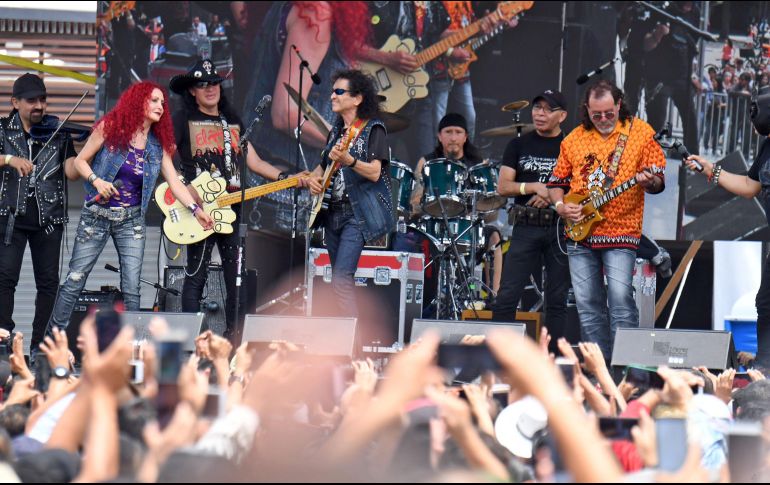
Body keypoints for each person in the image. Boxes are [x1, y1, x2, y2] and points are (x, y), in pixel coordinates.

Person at [45, 82, 213, 339]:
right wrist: (97, 181)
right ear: (138, 102)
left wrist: (195, 208)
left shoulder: (157, 146)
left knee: (132, 288)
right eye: (155, 101)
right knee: (74, 281)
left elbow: (174, 182)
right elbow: (80, 161)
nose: (161, 106)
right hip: (97, 216)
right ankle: (49, 346)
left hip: (131, 221)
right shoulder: (112, 128)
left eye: (163, 103)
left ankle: (132, 350)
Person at [170, 59, 307, 342]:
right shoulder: (183, 120)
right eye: (202, 85)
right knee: (196, 276)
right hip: (200, 211)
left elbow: (254, 161)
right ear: (192, 91)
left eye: (214, 83)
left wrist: (288, 176)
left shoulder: (231, 122)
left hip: (231, 210)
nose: (210, 89)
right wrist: (187, 193)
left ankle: (235, 343)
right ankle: (190, 343)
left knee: (237, 280)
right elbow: (165, 160)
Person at [547, 80, 666, 359]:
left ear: (619, 104)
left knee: (621, 302)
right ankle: (598, 371)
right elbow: (556, 183)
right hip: (580, 233)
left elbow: (659, 180)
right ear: (586, 109)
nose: (602, 120)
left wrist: (651, 182)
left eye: (609, 113)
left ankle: (626, 371)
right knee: (588, 305)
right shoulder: (573, 139)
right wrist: (561, 206)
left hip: (622, 231)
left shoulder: (639, 132)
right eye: (596, 114)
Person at [0, 74, 79, 353]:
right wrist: (9, 159)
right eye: (32, 100)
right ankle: (4, 341)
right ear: (15, 102)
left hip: (49, 218)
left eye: (42, 100)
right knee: (5, 279)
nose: (39, 106)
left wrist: (88, 152)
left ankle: (39, 346)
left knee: (48, 284)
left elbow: (70, 172)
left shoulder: (57, 131)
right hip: (11, 216)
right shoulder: (3, 129)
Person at [306, 69, 394, 318]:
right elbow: (321, 170)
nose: (332, 96)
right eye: (333, 91)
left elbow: (376, 173)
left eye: (339, 91)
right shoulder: (335, 132)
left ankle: (352, 347)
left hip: (356, 215)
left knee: (342, 280)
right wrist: (313, 182)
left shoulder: (373, 129)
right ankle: (343, 340)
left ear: (357, 99)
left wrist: (350, 160)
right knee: (337, 281)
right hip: (331, 213)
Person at [685, 118, 770, 369]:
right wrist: (711, 169)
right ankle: (765, 370)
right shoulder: (767, 146)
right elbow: (748, 185)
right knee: (765, 304)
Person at [490, 90, 571, 346]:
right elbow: (503, 186)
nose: (540, 113)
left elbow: (582, 187)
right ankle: (498, 357)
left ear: (562, 116)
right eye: (537, 108)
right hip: (526, 225)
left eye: (548, 109)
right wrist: (533, 187)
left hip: (558, 227)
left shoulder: (571, 146)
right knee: (507, 295)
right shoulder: (518, 144)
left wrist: (551, 195)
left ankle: (555, 362)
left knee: (556, 299)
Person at [642, 0, 700, 155]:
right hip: (660, 76)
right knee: (657, 120)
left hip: (682, 77)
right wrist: (657, 35)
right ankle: (647, 160)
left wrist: (693, 76)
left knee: (691, 121)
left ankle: (694, 163)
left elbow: (691, 47)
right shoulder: (664, 9)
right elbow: (645, 45)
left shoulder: (696, 12)